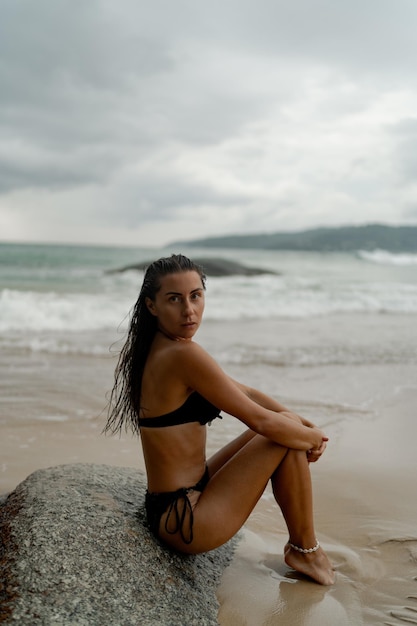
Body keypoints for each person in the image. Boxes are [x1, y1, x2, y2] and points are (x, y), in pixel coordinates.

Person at [105, 254, 335, 586]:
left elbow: (248, 393)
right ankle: (305, 550)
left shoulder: (166, 347)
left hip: (175, 503)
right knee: (280, 435)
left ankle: (304, 548)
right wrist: (311, 439)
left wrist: (305, 426)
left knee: (286, 427)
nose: (189, 310)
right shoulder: (182, 354)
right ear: (152, 306)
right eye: (174, 299)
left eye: (195, 296)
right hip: (187, 521)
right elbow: (260, 421)